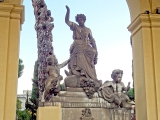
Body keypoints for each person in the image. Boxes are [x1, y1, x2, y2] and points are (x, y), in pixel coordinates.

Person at [65, 5, 99, 83]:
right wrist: (68, 11)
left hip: (86, 45)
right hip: (77, 44)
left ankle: (90, 74)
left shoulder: (88, 30)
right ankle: (81, 70)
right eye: (79, 20)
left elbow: (92, 41)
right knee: (79, 52)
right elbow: (67, 21)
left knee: (93, 51)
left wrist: (96, 53)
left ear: (84, 20)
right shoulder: (75, 27)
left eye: (81, 19)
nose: (80, 21)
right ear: (77, 21)